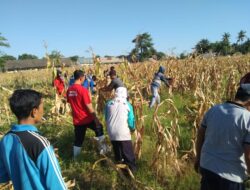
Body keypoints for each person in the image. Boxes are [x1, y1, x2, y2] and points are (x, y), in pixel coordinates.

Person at [0, 89, 67, 190]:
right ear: (34, 112)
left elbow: (2, 175)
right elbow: (56, 184)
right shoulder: (40, 143)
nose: (43, 110)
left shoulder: (6, 139)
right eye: (41, 106)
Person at [195, 73, 250, 190]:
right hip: (231, 177)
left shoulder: (214, 109)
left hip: (207, 168)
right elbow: (248, 155)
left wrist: (198, 158)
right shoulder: (247, 118)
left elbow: (200, 135)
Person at [67, 70, 107, 158]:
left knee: (78, 140)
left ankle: (76, 158)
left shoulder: (69, 90)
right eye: (84, 77)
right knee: (99, 128)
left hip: (77, 120)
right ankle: (103, 151)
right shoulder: (83, 90)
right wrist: (96, 119)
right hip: (86, 118)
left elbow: (70, 103)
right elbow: (89, 106)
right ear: (81, 78)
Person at [105, 87, 136, 172]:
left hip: (111, 132)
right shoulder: (127, 104)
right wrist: (133, 129)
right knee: (128, 154)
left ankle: (119, 169)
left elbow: (106, 118)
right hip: (123, 133)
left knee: (117, 151)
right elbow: (131, 121)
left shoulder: (108, 104)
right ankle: (132, 172)